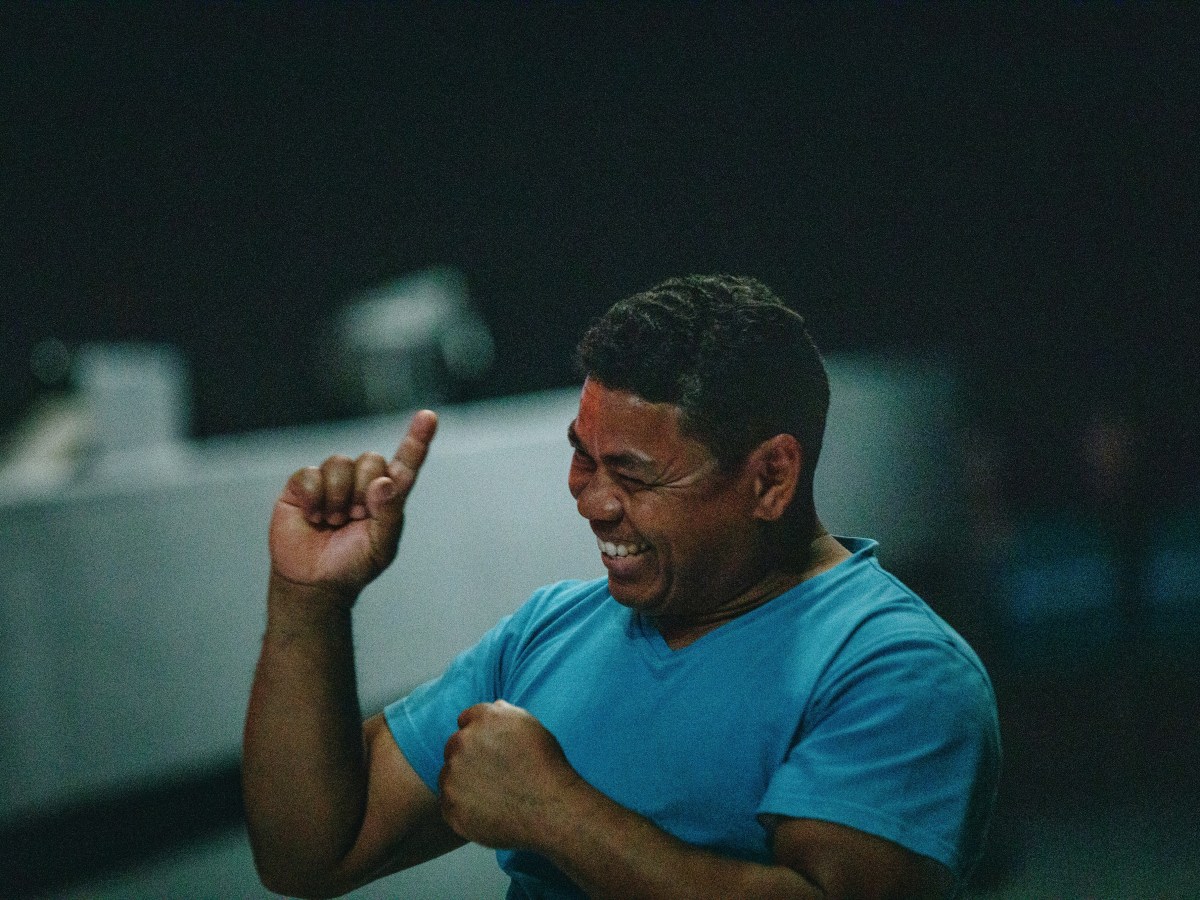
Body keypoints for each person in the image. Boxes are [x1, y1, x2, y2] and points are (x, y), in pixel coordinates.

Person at [243, 274, 1001, 899]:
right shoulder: (550, 631)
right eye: (584, 458)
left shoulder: (894, 668)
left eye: (634, 474)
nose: (593, 501)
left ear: (770, 477)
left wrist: (558, 814)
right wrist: (309, 599)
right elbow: (310, 853)